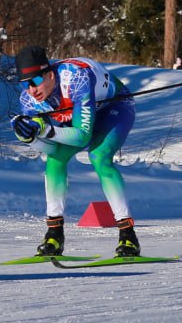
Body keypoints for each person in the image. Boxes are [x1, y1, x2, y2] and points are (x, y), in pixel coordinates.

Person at [10, 46, 139, 257]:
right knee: (55, 159)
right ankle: (54, 235)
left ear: (49, 74)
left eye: (34, 81)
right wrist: (30, 138)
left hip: (113, 107)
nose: (31, 89)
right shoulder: (29, 101)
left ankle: (128, 235)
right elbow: (49, 149)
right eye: (24, 84)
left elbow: (83, 136)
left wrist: (47, 130)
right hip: (80, 113)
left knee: (99, 157)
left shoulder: (76, 78)